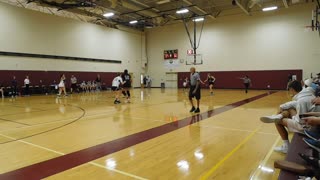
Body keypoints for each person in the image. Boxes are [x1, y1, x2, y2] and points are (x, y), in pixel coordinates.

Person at [260, 80, 319, 153]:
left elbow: (301, 121)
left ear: (291, 89)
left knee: (277, 122)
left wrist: (291, 118)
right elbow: (294, 104)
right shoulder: (308, 94)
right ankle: (279, 116)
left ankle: (286, 147)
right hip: (312, 121)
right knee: (290, 108)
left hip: (308, 127)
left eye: (289, 90)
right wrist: (282, 106)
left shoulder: (301, 101)